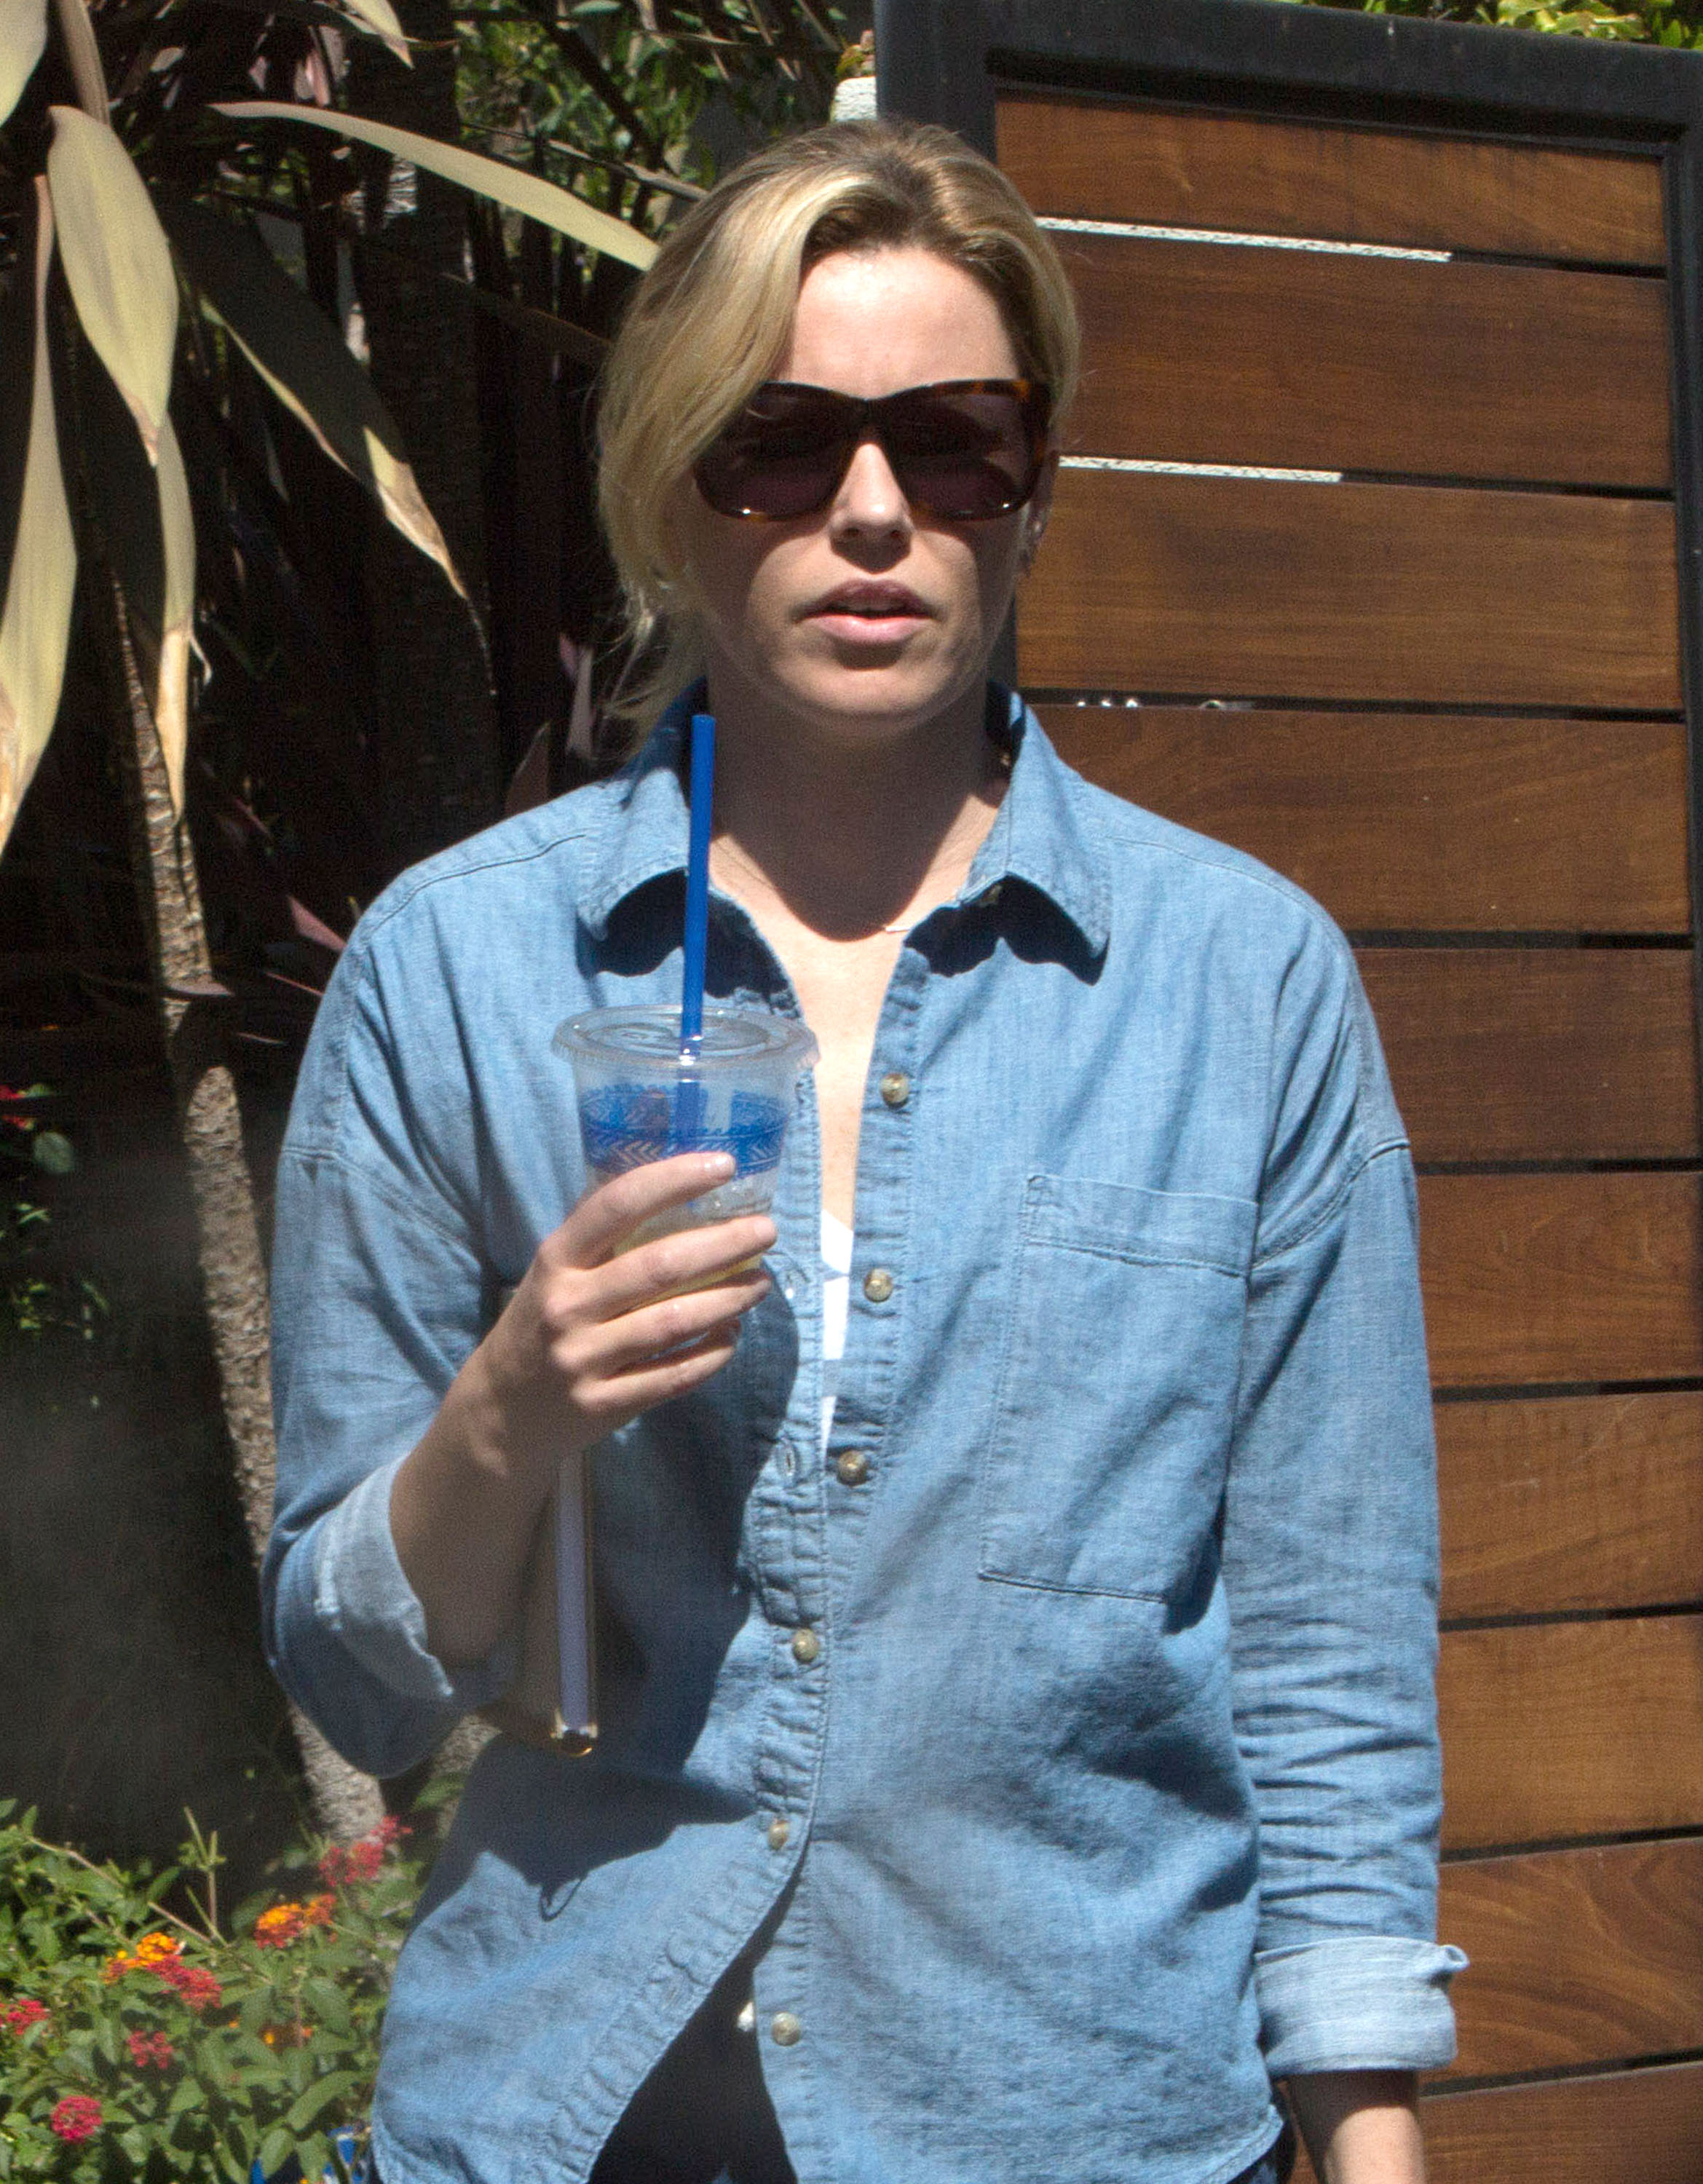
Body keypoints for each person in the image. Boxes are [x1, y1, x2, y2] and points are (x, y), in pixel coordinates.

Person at [264, 117, 1463, 2184]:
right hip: (569, 2118)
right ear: (671, 482)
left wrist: (1366, 2137)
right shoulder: (456, 971)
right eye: (783, 444)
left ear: (1033, 485)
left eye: (957, 445)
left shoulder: (1237, 984)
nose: (877, 511)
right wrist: (511, 1408)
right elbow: (352, 1681)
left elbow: (1325, 1654)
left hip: (1080, 2121)